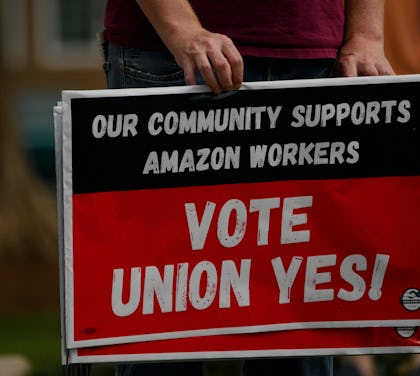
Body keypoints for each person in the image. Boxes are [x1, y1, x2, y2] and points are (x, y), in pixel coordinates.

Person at [102, 1, 394, 375]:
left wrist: (366, 35)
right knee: (161, 304)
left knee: (296, 299)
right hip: (170, 52)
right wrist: (182, 29)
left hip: (312, 54)